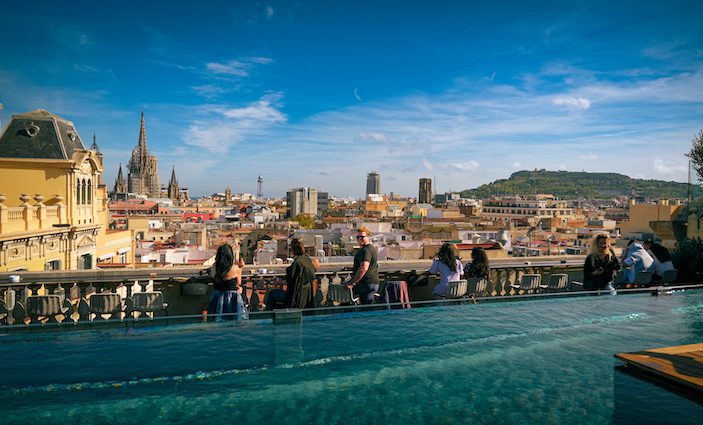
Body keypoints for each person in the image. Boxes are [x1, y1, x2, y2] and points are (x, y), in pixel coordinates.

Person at [207, 243, 247, 321]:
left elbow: (213, 277)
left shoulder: (214, 267)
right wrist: (240, 268)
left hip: (217, 297)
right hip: (232, 298)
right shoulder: (235, 268)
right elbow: (238, 283)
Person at [346, 227, 379, 304]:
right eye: (358, 237)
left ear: (368, 237)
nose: (360, 239)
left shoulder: (365, 250)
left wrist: (353, 282)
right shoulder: (371, 248)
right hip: (372, 282)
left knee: (366, 307)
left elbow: (364, 267)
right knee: (368, 305)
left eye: (362, 237)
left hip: (366, 283)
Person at [284, 238, 318, 308]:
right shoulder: (307, 260)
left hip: (295, 297)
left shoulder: (297, 263)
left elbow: (291, 280)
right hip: (306, 297)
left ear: (292, 250)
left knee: (272, 294)